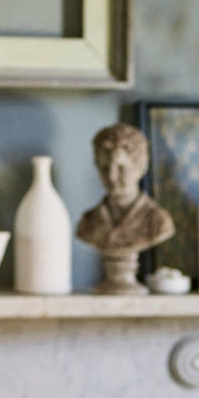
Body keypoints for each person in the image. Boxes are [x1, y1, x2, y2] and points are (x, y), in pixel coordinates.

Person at [75, 124, 174, 292]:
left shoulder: (157, 222)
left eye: (121, 168)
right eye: (105, 168)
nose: (112, 177)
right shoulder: (88, 223)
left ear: (140, 167)